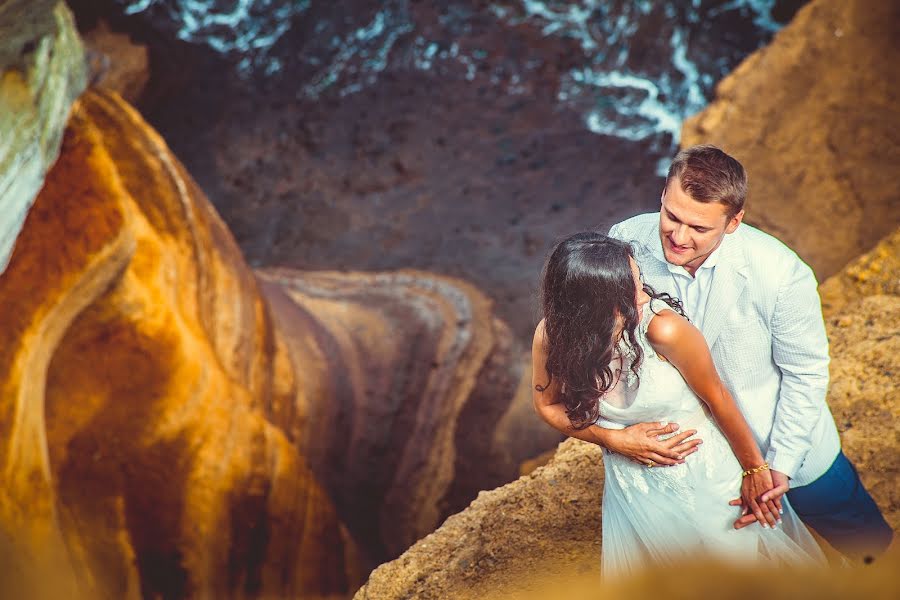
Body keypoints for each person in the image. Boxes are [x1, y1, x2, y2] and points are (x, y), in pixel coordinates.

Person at [590, 144, 891, 562]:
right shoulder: (625, 243)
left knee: (869, 550)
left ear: (734, 222)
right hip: (698, 461)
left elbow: (805, 374)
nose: (678, 237)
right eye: (671, 216)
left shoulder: (782, 273)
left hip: (784, 447)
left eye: (698, 228)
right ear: (662, 195)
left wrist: (779, 467)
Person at [532, 231, 825, 575]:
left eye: (638, 276)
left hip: (708, 481)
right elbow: (546, 405)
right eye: (629, 286)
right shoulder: (554, 336)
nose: (641, 291)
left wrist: (755, 470)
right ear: (591, 303)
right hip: (632, 490)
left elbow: (718, 397)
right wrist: (612, 439)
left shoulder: (664, 330)